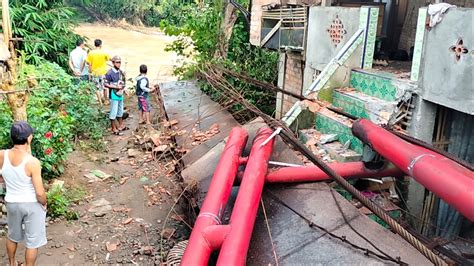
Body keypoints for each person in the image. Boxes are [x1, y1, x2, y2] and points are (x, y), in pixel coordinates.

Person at [0, 121, 47, 266]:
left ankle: (12, 263)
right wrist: (44, 203)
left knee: (12, 236)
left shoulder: (2, 155)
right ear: (29, 138)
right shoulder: (32, 162)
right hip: (31, 204)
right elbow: (39, 192)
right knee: (32, 242)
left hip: (12, 203)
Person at [105, 55, 128, 135]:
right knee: (113, 112)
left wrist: (124, 89)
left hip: (120, 94)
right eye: (117, 62)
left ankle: (120, 126)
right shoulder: (109, 73)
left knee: (120, 111)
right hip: (113, 94)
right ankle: (113, 128)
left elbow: (122, 82)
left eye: (120, 62)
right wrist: (115, 86)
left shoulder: (120, 72)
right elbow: (105, 84)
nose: (119, 64)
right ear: (113, 63)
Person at [86, 39, 110, 105]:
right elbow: (108, 59)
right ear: (101, 45)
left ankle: (100, 102)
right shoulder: (104, 52)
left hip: (95, 73)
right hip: (103, 72)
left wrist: (90, 72)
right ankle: (106, 101)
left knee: (96, 88)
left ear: (94, 45)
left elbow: (89, 64)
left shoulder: (91, 53)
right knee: (105, 87)